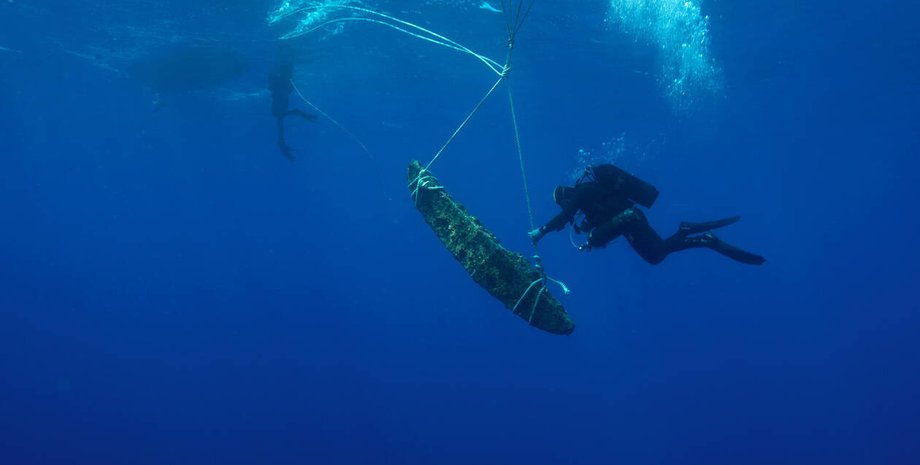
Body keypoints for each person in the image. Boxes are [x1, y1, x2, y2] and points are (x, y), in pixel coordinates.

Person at [529, 164, 766, 265]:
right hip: (632, 219)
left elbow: (564, 218)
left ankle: (704, 240)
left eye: (563, 204)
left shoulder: (583, 192)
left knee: (655, 254)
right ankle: (689, 232)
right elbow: (599, 218)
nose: (565, 208)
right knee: (656, 255)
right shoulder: (589, 197)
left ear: (566, 197)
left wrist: (540, 232)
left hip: (631, 219)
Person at [268, 52, 316, 162]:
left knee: (279, 117)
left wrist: (301, 113)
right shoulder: (281, 82)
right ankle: (282, 144)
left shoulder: (280, 83)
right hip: (281, 97)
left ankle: (282, 144)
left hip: (280, 98)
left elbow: (273, 81)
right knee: (279, 116)